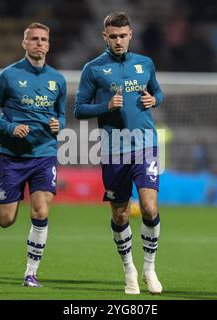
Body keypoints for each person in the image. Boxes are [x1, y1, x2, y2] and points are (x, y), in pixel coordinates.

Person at [74, 12, 164, 295]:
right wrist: (106, 106)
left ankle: (149, 267)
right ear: (105, 37)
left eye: (123, 36)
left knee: (149, 207)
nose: (118, 41)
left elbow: (158, 93)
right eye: (113, 36)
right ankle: (129, 269)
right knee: (121, 214)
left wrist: (154, 99)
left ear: (131, 35)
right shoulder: (93, 69)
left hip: (145, 144)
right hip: (114, 150)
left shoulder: (145, 64)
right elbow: (78, 109)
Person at [0, 22, 66, 288]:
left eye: (43, 39)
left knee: (41, 211)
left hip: (45, 155)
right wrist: (9, 127)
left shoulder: (58, 80)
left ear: (49, 45)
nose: (39, 43)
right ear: (24, 43)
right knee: (7, 220)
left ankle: (31, 273)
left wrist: (59, 124)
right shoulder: (8, 76)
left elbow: (61, 113)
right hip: (13, 157)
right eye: (34, 39)